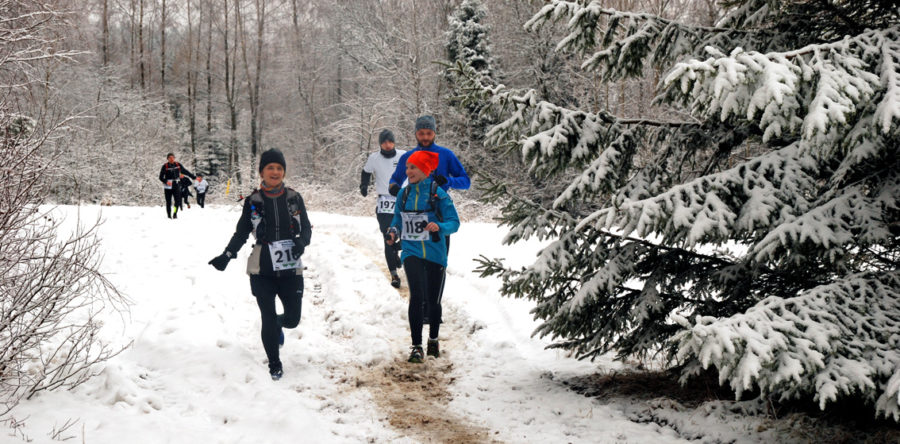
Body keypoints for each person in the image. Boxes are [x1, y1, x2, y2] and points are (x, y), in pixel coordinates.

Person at [208, 149, 312, 381]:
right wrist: (227, 254)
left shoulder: (294, 197)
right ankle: (274, 363)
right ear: (261, 172)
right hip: (262, 269)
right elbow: (242, 232)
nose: (275, 172)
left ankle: (278, 323)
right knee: (266, 314)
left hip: (290, 267)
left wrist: (301, 242)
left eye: (279, 168)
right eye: (270, 168)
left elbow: (306, 227)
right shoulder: (253, 201)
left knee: (293, 319)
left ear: (283, 172)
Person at [388, 115, 470, 323]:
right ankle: (422, 309)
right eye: (421, 133)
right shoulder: (410, 156)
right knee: (417, 269)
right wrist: (398, 190)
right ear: (415, 133)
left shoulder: (446, 155)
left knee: (436, 267)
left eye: (429, 133)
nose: (425, 137)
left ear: (435, 133)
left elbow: (466, 182)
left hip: (438, 220)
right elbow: (394, 180)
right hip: (413, 221)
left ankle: (432, 309)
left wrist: (449, 181)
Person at [385, 150, 460, 363]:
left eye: (413, 167)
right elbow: (397, 219)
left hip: (436, 252)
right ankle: (416, 346)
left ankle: (433, 340)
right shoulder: (404, 193)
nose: (408, 171)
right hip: (411, 251)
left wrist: (439, 226)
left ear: (425, 170)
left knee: (433, 300)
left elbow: (455, 223)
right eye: (407, 167)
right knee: (416, 296)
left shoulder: (439, 194)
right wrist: (393, 232)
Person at [360, 129, 407, 288]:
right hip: (384, 203)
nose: (387, 145)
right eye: (384, 142)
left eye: (390, 141)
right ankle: (394, 275)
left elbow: (417, 168)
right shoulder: (374, 158)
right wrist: (364, 185)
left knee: (406, 235)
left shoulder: (403, 155)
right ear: (380, 143)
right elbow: (365, 172)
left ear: (394, 142)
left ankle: (396, 249)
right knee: (388, 237)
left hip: (403, 200)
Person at [158, 153, 196, 219]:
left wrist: (193, 177)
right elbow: (160, 177)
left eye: (173, 157)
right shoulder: (165, 166)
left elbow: (185, 171)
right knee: (168, 202)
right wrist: (166, 181)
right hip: (168, 186)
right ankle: (169, 216)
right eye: (170, 157)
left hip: (176, 184)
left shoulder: (178, 165)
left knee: (177, 201)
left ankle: (175, 213)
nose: (171, 159)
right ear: (167, 159)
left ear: (174, 158)